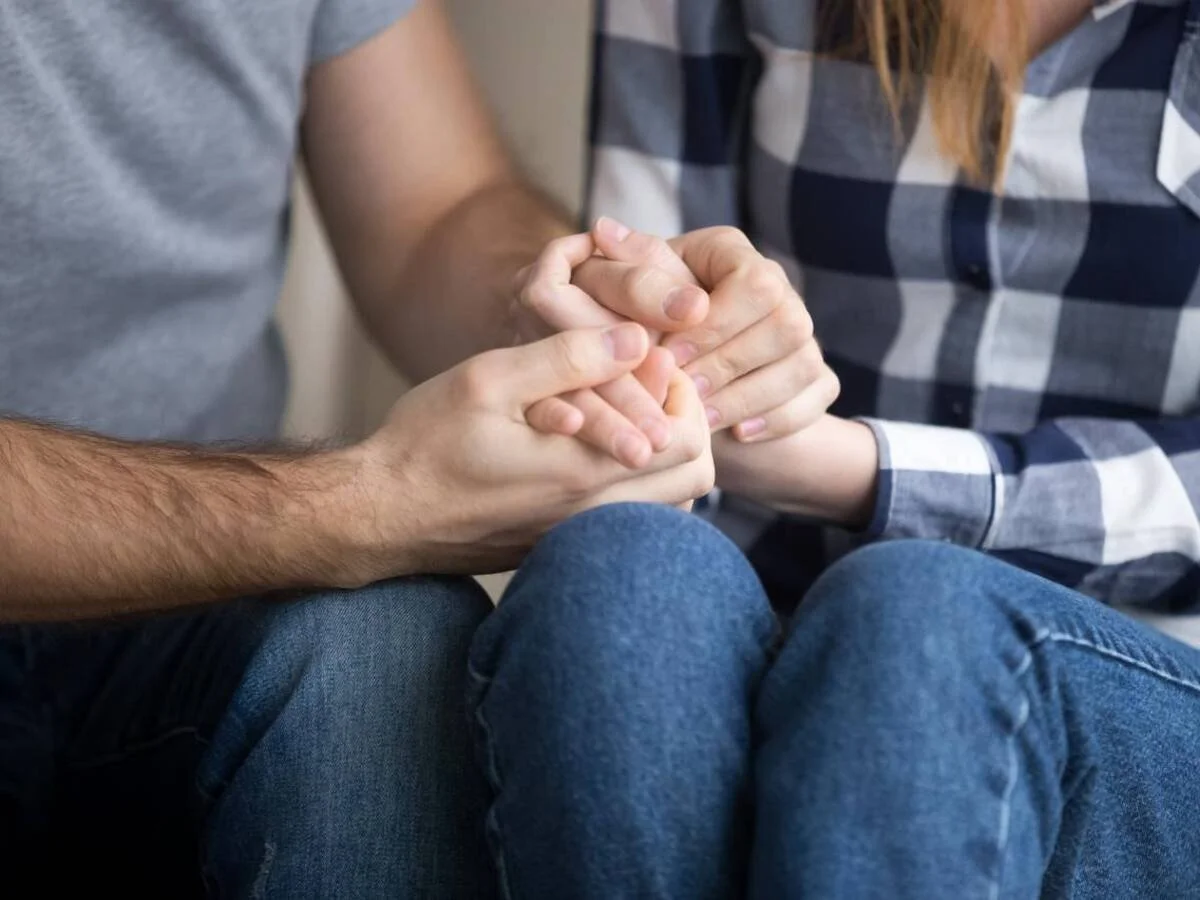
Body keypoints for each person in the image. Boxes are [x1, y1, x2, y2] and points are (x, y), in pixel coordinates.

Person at [0, 0, 823, 894]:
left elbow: (436, 210)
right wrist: (359, 503)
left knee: (383, 647)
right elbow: (362, 508)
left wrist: (570, 311)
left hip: (180, 621)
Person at [468, 0, 1200, 896]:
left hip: (1155, 672)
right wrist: (628, 330)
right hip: (765, 605)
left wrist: (849, 466)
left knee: (917, 617)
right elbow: (644, 287)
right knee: (613, 573)